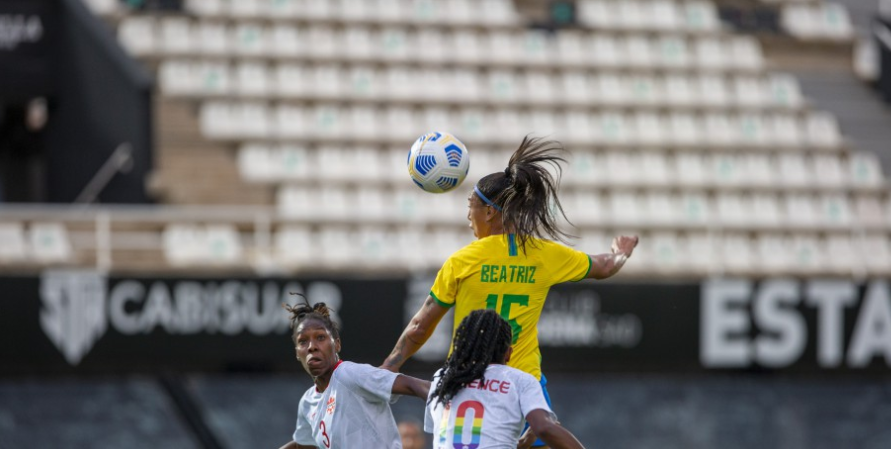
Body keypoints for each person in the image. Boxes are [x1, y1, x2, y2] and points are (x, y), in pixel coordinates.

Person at [383, 136, 638, 447]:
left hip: (468, 381)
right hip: (523, 383)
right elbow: (604, 266)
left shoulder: (463, 261)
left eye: (470, 206)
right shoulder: (544, 255)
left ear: (490, 212)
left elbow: (420, 326)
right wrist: (621, 252)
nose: (468, 216)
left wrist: (390, 366)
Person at [279, 298, 431, 449]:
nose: (312, 347)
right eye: (303, 341)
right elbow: (303, 446)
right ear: (297, 353)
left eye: (320, 337)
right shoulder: (307, 402)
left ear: (337, 344)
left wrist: (447, 420)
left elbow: (417, 386)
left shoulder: (349, 374)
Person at [426, 309, 585, 449]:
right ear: (508, 353)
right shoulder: (520, 380)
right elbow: (543, 428)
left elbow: (457, 438)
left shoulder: (442, 378)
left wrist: (520, 445)